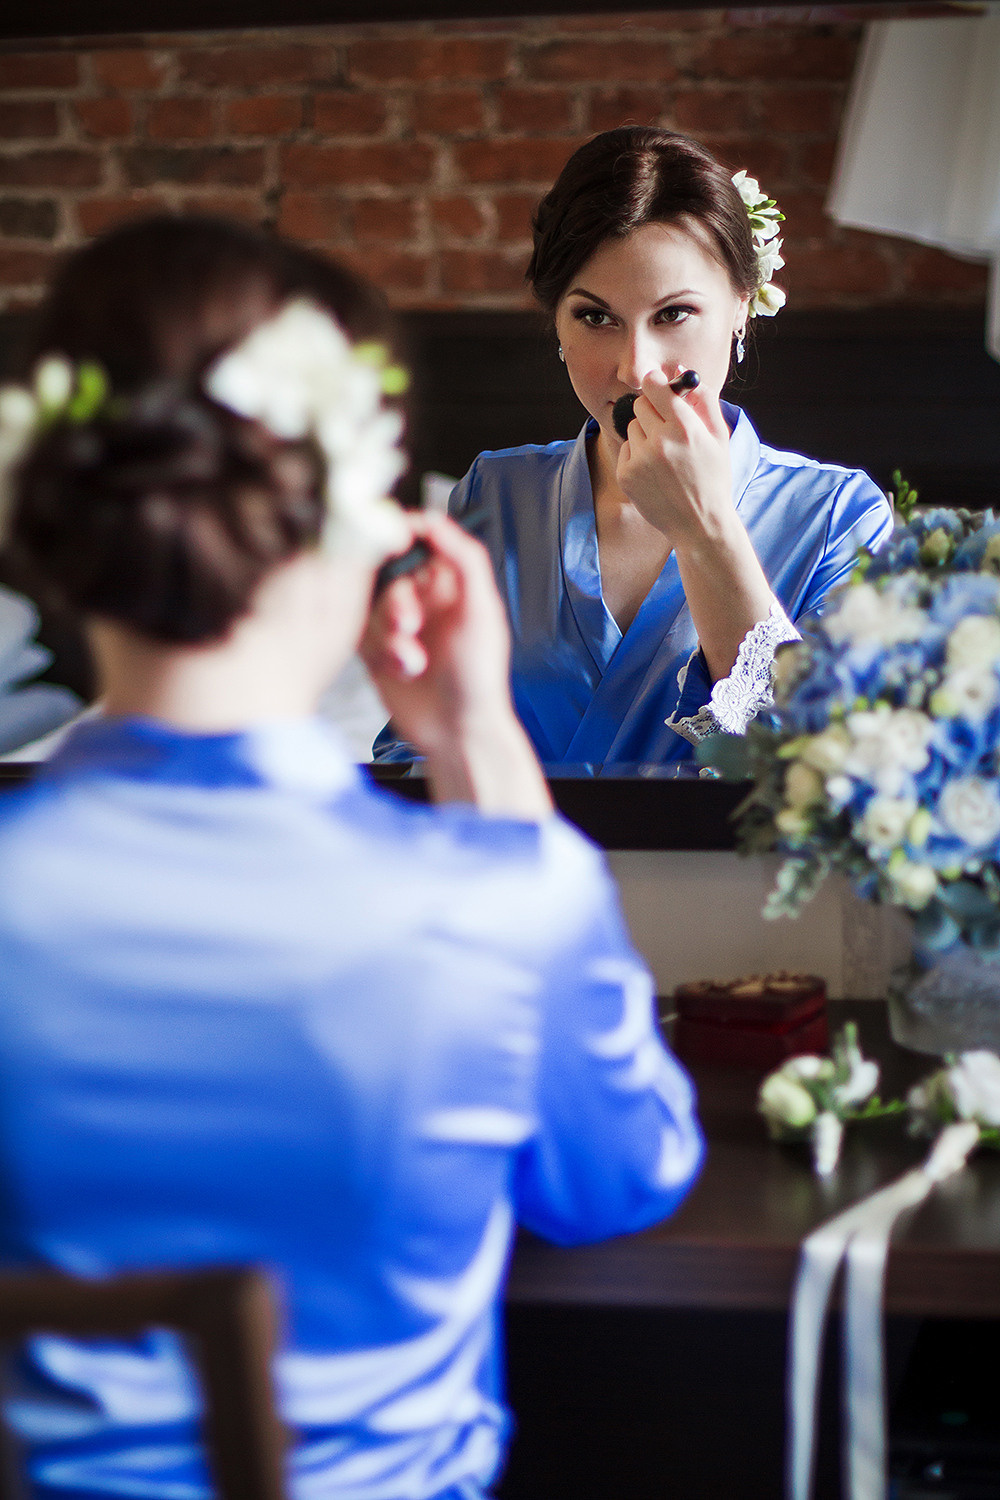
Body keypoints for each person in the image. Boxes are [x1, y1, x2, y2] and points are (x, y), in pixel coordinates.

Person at [0, 216, 703, 1500]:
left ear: (46, 522)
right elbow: (619, 1181)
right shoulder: (499, 902)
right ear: (364, 528)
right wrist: (482, 745)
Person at [374, 128, 894, 772]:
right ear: (556, 324)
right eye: (596, 318)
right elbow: (415, 747)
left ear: (741, 306)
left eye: (673, 314)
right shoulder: (497, 493)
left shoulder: (839, 518)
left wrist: (704, 526)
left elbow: (830, 772)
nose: (635, 368)